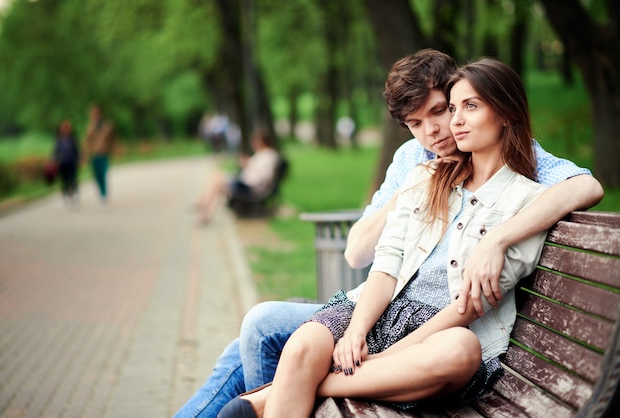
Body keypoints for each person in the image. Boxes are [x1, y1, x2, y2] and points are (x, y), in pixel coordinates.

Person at [173, 49, 603, 417]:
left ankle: (288, 392)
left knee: (271, 335)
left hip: (443, 332)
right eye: (426, 119)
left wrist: (497, 237)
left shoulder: (528, 177)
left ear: (500, 112)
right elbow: (367, 257)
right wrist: (415, 187)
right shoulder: (417, 164)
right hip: (381, 306)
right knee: (263, 330)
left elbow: (585, 186)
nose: (442, 129)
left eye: (447, 110)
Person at [196, 129, 280, 224]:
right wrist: (248, 164)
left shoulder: (268, 155)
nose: (254, 143)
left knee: (217, 182)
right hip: (247, 183)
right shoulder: (263, 154)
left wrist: (248, 164)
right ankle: (204, 211)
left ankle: (203, 207)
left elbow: (261, 175)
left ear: (263, 142)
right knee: (217, 179)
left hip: (250, 187)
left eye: (256, 141)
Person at [83, 104, 116, 204]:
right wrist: (85, 155)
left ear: (100, 113)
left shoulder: (107, 125)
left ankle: (103, 194)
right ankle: (101, 191)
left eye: (96, 113)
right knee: (96, 175)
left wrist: (116, 150)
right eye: (92, 113)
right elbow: (87, 142)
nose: (94, 115)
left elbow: (113, 139)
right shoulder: (90, 126)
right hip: (94, 154)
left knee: (103, 174)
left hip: (104, 153)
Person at [53, 119, 80, 207]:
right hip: (62, 163)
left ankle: (74, 194)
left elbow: (77, 151)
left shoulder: (73, 139)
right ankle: (66, 196)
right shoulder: (59, 140)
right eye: (63, 128)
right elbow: (55, 152)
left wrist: (79, 159)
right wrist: (54, 161)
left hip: (72, 162)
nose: (65, 130)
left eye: (67, 128)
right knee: (64, 181)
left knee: (73, 179)